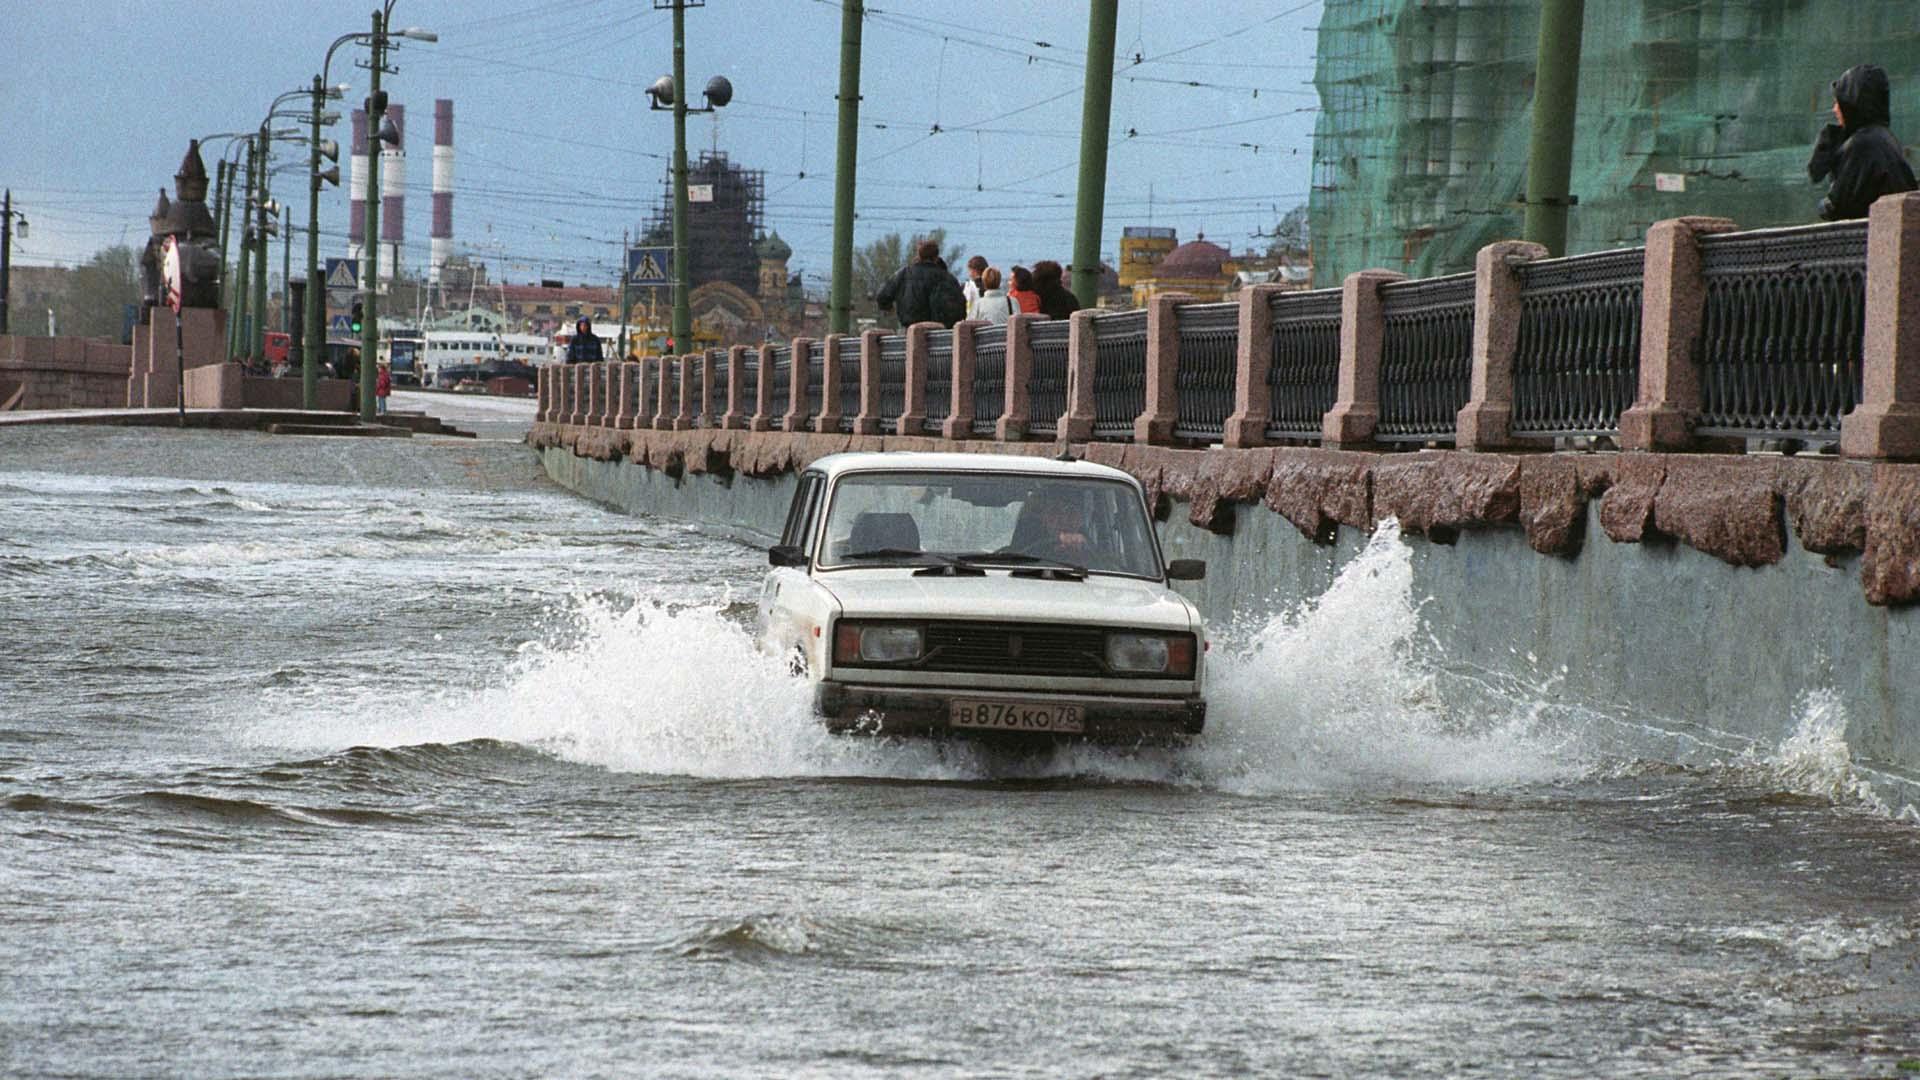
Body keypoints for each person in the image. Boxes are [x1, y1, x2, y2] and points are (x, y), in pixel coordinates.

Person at [1810, 64, 1917, 221]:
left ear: (1851, 104)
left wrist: (1823, 206)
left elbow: (1838, 206)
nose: (1834, 109)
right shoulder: (1884, 138)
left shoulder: (1862, 145)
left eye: (1838, 102)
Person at [874, 239, 968, 328]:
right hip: (942, 331)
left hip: (911, 329)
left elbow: (882, 296)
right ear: (936, 257)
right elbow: (960, 305)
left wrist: (889, 309)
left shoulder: (904, 274)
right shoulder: (947, 277)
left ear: (919, 255)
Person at [1011, 487, 1093, 566]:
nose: (1063, 519)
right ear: (1044, 519)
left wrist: (1083, 553)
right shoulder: (1011, 557)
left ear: (1081, 519)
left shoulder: (1095, 553)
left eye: (1071, 511)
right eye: (1055, 511)